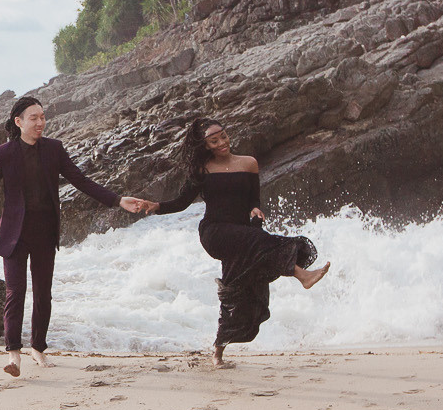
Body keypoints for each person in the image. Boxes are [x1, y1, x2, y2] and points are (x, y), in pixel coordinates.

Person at [0, 96, 150, 376]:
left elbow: (81, 181)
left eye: (42, 117)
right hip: (14, 234)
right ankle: (13, 355)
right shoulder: (4, 154)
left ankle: (38, 348)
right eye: (34, 118)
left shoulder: (54, 149)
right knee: (15, 292)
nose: (40, 123)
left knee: (43, 293)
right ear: (18, 122)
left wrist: (118, 200)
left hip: (44, 232)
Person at [138, 117, 330, 365]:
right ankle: (301, 275)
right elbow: (182, 202)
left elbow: (253, 199)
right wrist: (156, 206)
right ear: (205, 146)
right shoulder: (202, 170)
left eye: (223, 136)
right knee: (260, 240)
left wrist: (255, 209)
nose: (221, 143)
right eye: (213, 141)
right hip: (216, 232)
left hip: (243, 233)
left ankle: (217, 351)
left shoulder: (249, 163)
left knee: (235, 287)